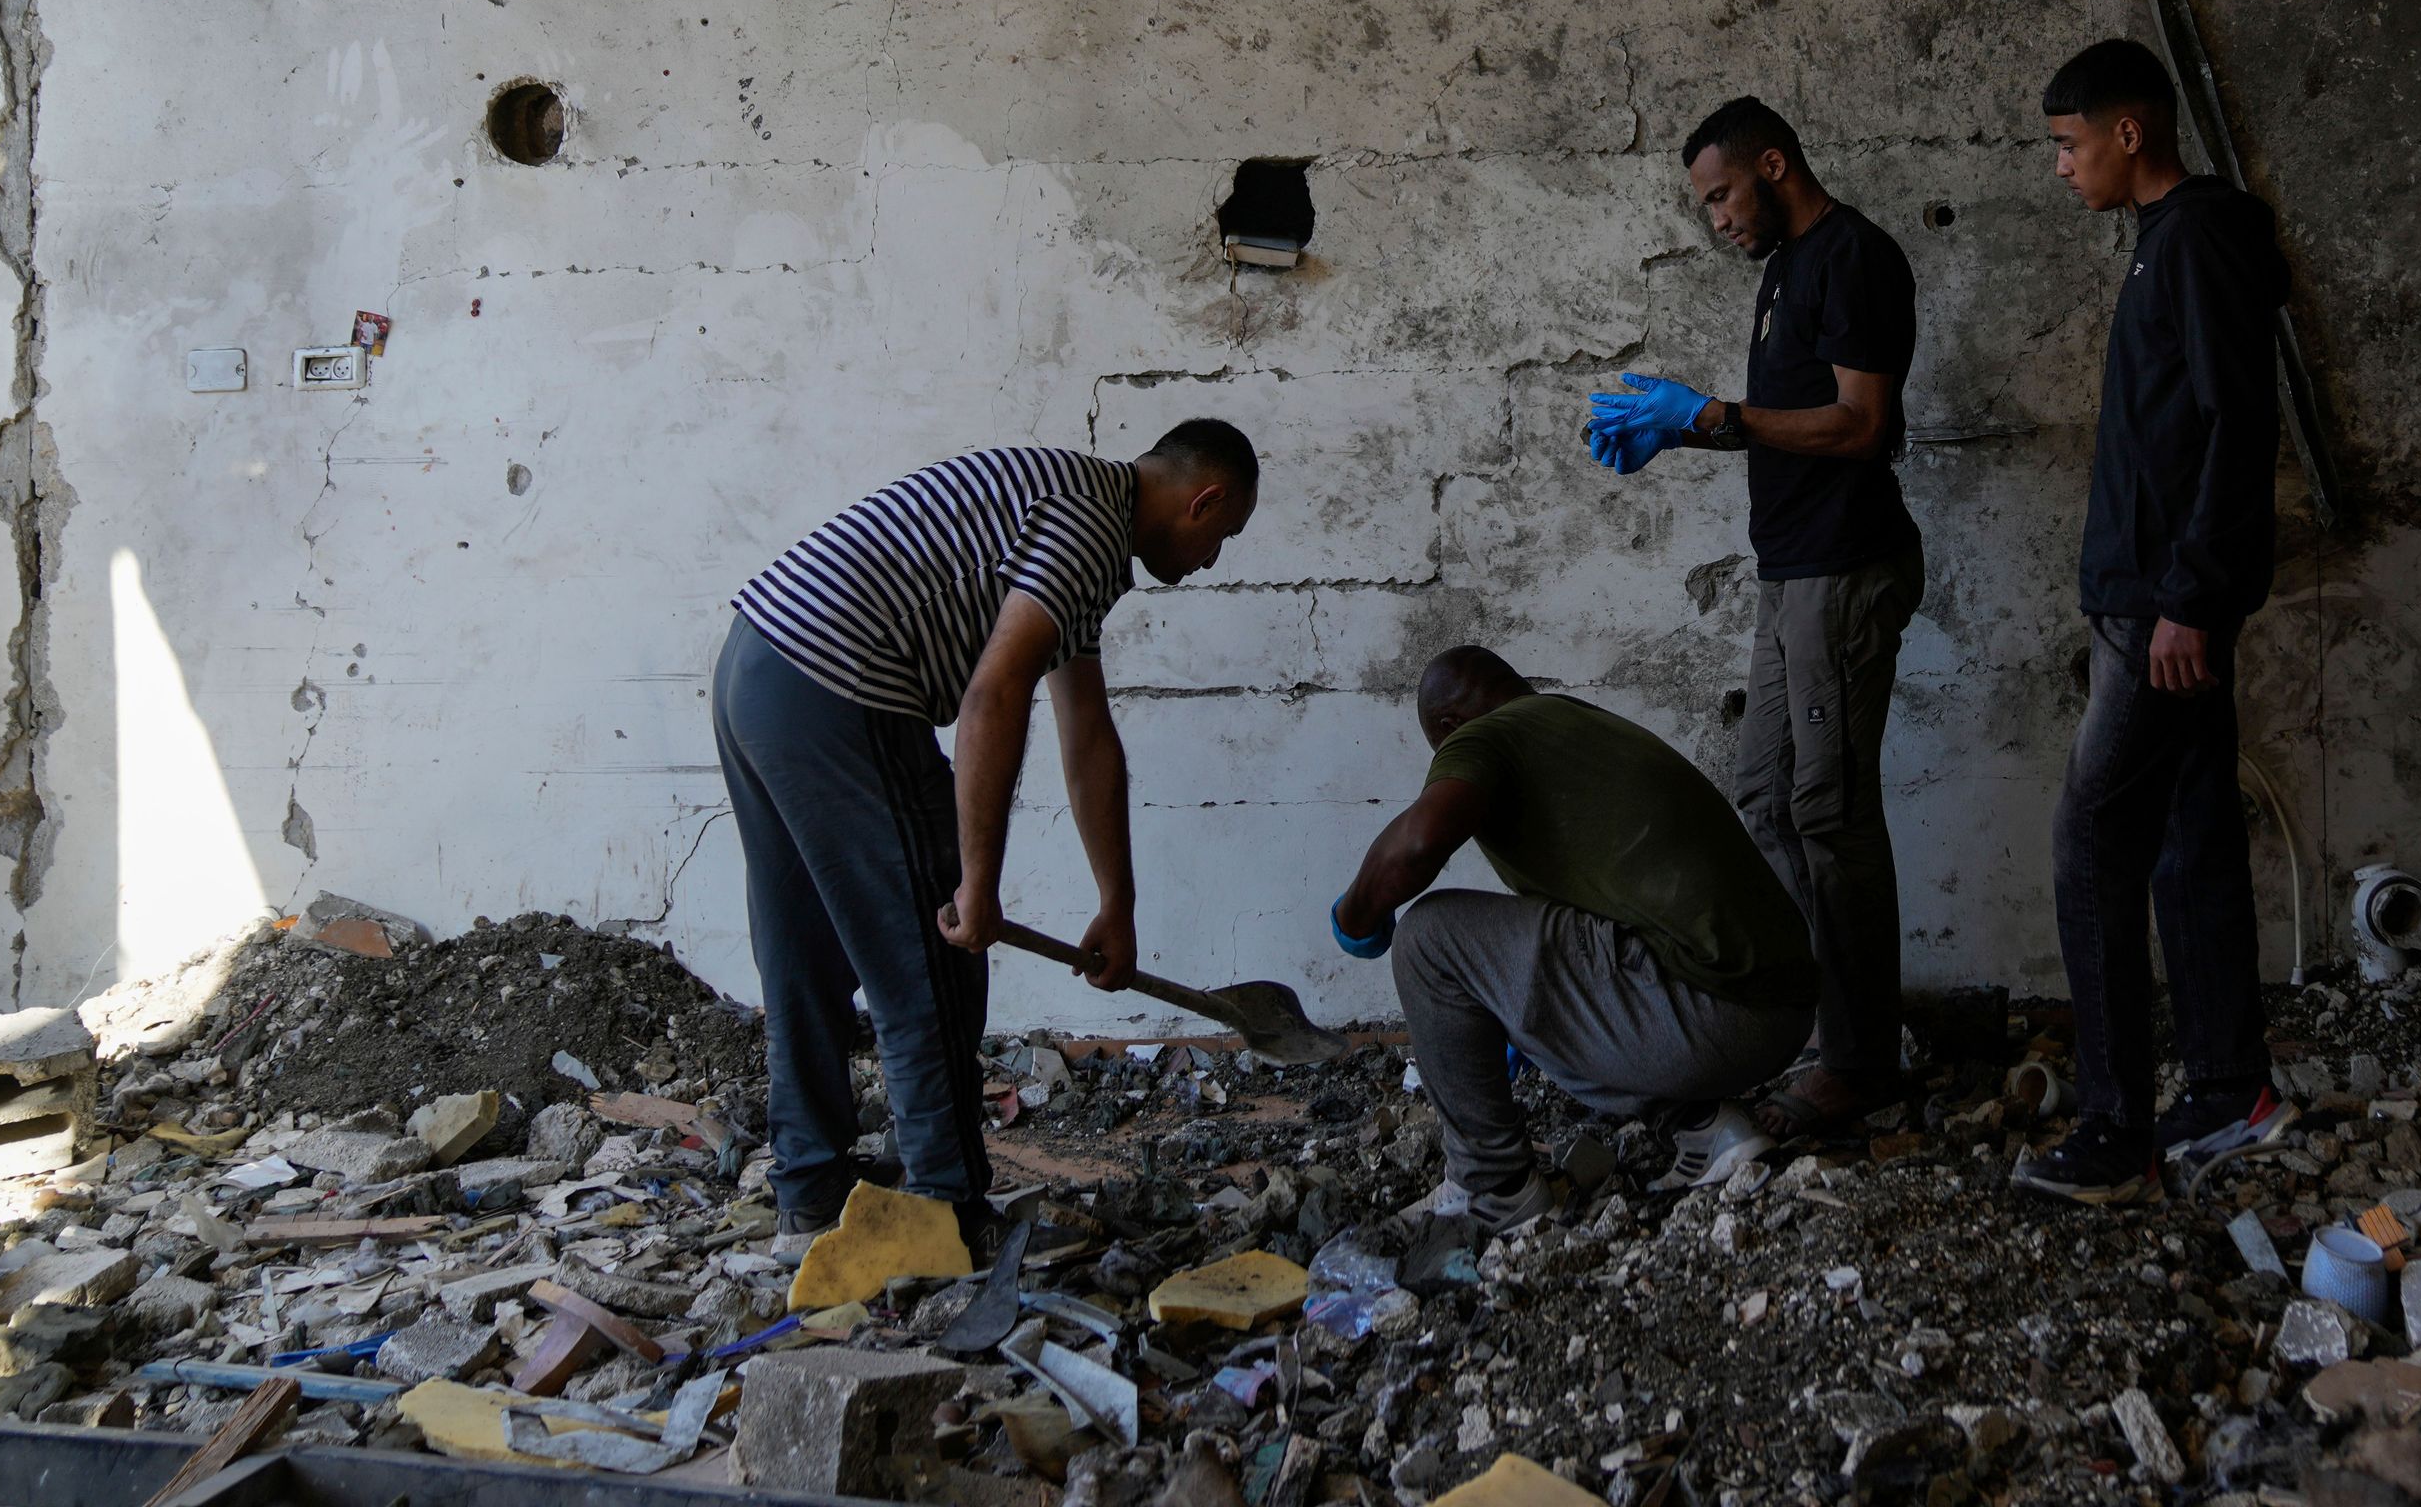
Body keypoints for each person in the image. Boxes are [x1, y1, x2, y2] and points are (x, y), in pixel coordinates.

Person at [712, 421, 1259, 1246]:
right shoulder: (1087, 523)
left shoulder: (1079, 521)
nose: (1213, 560)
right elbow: (993, 697)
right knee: (932, 961)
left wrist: (1117, 903)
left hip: (758, 668)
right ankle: (948, 1214)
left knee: (803, 953)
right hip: (837, 681)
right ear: (1203, 500)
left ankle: (811, 1192)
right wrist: (977, 880)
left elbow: (1088, 736)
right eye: (1223, 537)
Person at [1584, 96, 1923, 1143]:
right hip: (1794, 571)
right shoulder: (1782, 270)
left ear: (1774, 163)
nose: (1717, 220)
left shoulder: (1852, 254)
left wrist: (1715, 413)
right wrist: (1684, 433)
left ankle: (1861, 1062)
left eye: (1723, 194)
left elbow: (1862, 424)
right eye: (1707, 205)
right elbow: (1789, 426)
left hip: (1844, 569)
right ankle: (1821, 1029)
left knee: (1828, 812)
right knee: (1767, 798)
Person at [2014, 38, 2290, 1206]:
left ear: (2131, 134)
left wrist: (2189, 597)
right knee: (2189, 836)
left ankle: (2117, 1132)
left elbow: (2241, 426)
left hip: (2160, 611)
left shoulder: (2202, 236)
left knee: (2091, 843)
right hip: (2146, 602)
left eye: (2070, 146)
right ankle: (2233, 1090)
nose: (2063, 169)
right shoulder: (2161, 246)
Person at [1327, 647, 1817, 1229]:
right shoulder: (1576, 724)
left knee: (1428, 938)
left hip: (1711, 1012)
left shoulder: (1483, 737)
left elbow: (1414, 848)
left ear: (1448, 727)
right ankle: (1706, 1124)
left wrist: (1354, 916)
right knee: (1524, 987)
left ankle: (1495, 1186)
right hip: (1778, 1012)